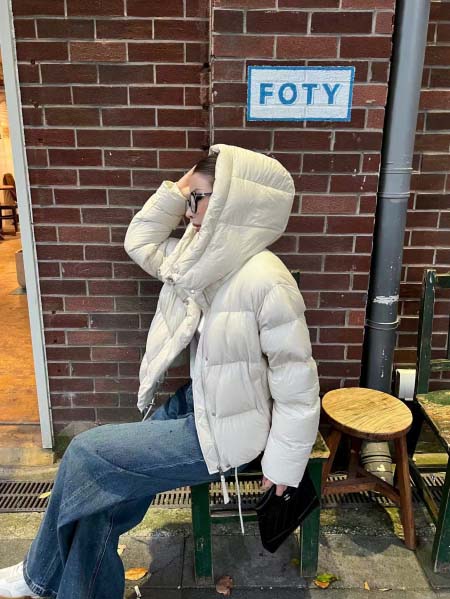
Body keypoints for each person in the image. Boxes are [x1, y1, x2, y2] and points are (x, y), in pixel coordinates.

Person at [0, 143, 320, 598]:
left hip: (229, 433)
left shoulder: (267, 280)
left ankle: (39, 576)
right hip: (199, 404)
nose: (189, 211)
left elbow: (298, 386)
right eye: (190, 199)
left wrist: (284, 466)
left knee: (85, 454)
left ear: (231, 202)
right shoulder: (200, 259)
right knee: (100, 499)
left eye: (198, 199)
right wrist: (183, 185)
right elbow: (141, 241)